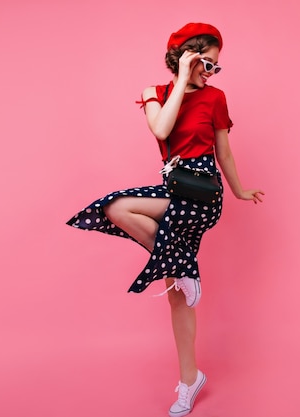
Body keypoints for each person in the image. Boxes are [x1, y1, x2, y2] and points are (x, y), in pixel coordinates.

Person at [66, 22, 264, 417]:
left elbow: (223, 151)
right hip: (175, 191)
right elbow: (161, 127)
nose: (210, 72)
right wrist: (179, 80)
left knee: (121, 211)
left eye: (216, 66)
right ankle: (190, 380)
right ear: (185, 55)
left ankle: (182, 266)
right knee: (174, 291)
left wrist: (240, 189)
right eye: (205, 62)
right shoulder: (154, 94)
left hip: (204, 193)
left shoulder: (216, 98)